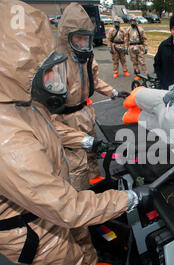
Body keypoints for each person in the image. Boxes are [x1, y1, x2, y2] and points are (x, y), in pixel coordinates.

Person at [0, 0, 151, 265]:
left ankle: (87, 264)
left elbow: (47, 129)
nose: (52, 81)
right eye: (42, 72)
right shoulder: (3, 141)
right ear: (14, 67)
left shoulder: (4, 94)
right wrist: (128, 198)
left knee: (75, 232)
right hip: (18, 222)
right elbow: (66, 208)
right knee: (60, 251)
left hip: (35, 196)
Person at [52, 3, 129, 192]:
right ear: (66, 37)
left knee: (93, 155)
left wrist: (114, 92)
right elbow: (48, 120)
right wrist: (83, 140)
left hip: (86, 114)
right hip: (67, 121)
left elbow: (94, 81)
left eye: (85, 39)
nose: (82, 43)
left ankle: (96, 185)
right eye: (78, 38)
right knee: (77, 163)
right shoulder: (55, 67)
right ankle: (80, 197)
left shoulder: (86, 59)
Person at [125, 17, 148, 81]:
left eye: (134, 21)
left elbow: (144, 39)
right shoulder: (128, 30)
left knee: (142, 61)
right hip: (131, 47)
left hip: (139, 46)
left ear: (136, 21)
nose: (132, 22)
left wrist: (145, 47)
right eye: (131, 21)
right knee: (134, 62)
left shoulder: (140, 29)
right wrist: (126, 48)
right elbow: (126, 39)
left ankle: (145, 74)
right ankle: (137, 74)